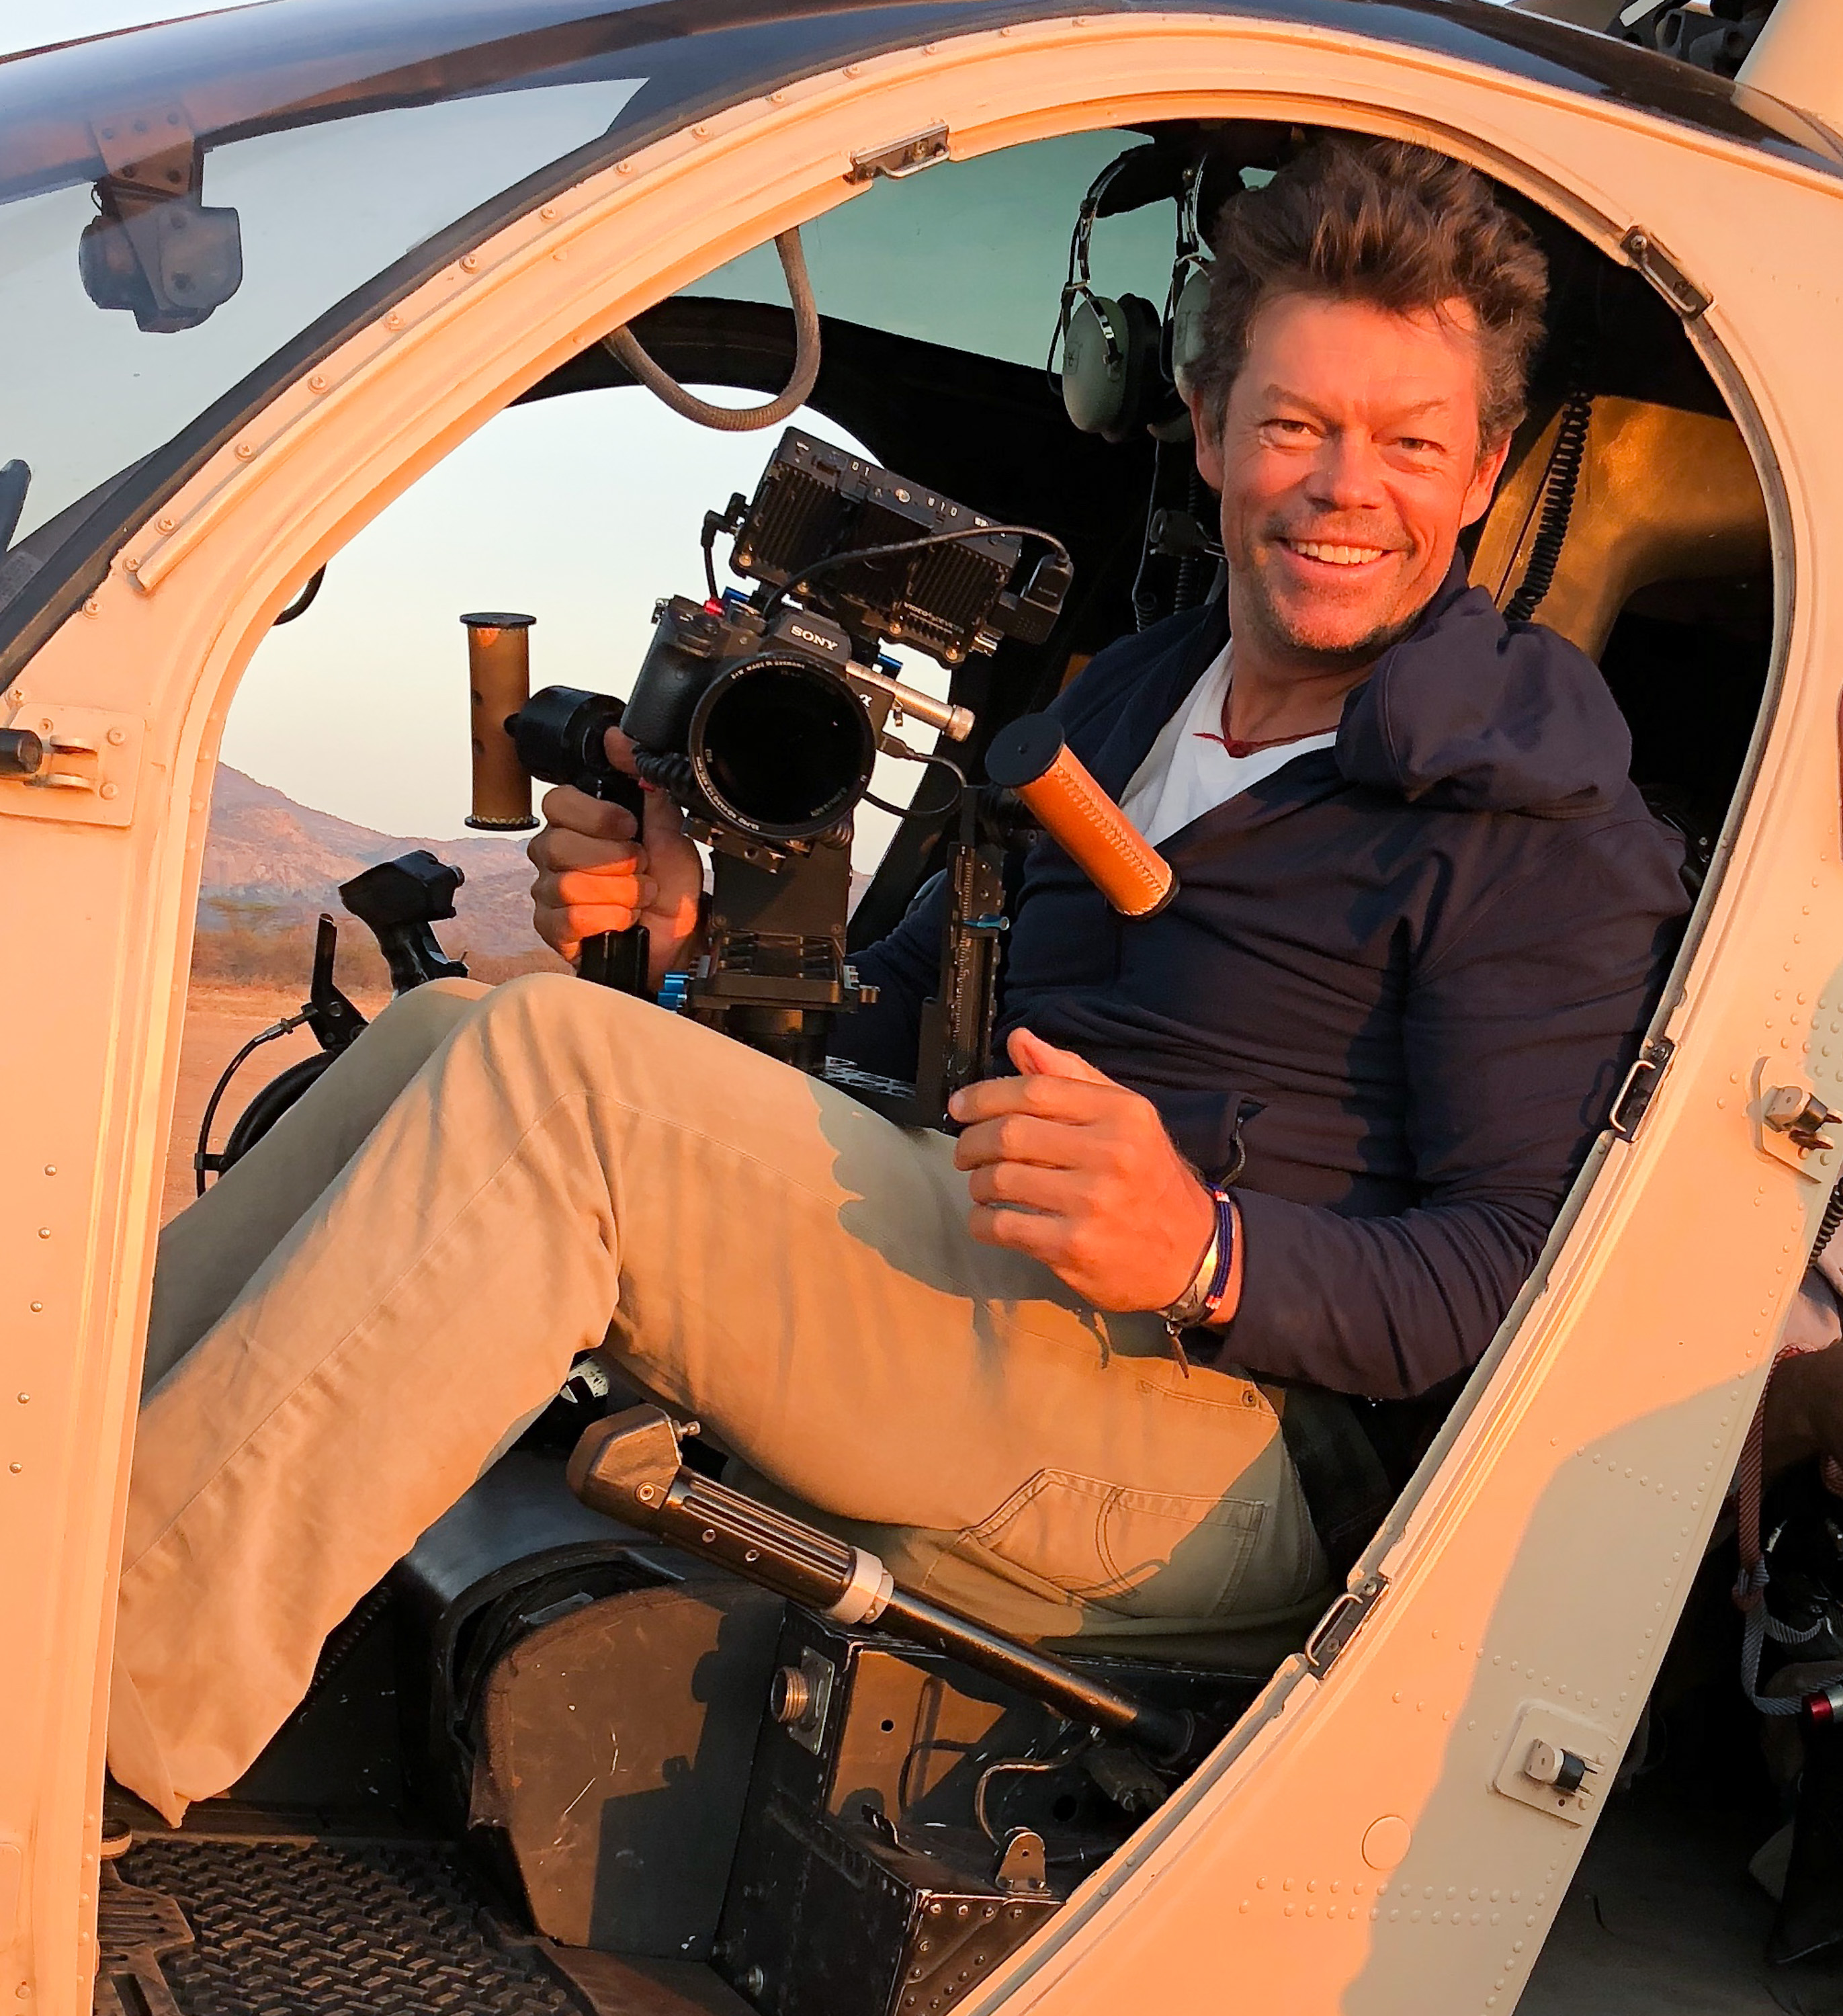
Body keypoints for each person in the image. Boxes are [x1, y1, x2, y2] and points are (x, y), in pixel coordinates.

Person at [112, 137, 1688, 1823]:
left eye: (1408, 443)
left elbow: (1528, 1278)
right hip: (963, 1285)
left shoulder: (1535, 817)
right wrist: (690, 947)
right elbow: (888, 1003)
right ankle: (48, 1528)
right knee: (469, 1025)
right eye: (1298, 426)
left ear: (1483, 472)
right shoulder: (1129, 697)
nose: (1342, 486)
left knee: (551, 1088)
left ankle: (93, 1724)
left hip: (1209, 1442)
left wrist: (1209, 1250)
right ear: (1214, 428)